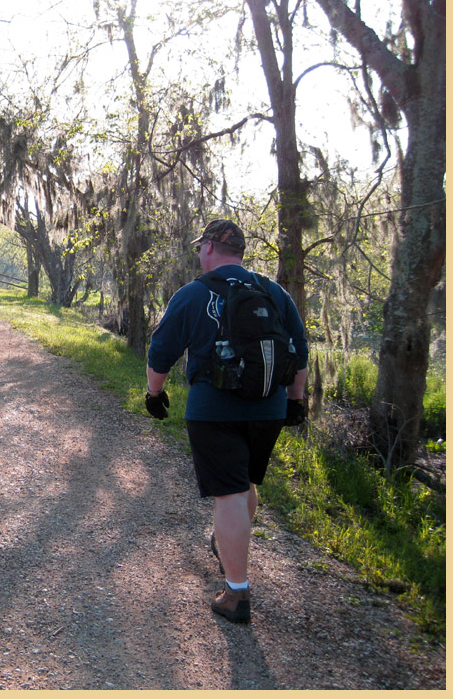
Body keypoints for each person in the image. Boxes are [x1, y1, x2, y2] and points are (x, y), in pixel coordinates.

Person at [144, 219, 308, 623]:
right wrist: (296, 401)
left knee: (229, 493)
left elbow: (160, 351)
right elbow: (300, 351)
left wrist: (154, 393)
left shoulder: (194, 294)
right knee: (244, 483)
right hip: (268, 408)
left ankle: (237, 592)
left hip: (213, 410)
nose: (199, 253)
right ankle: (227, 542)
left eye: (202, 246)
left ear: (213, 248)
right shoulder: (272, 291)